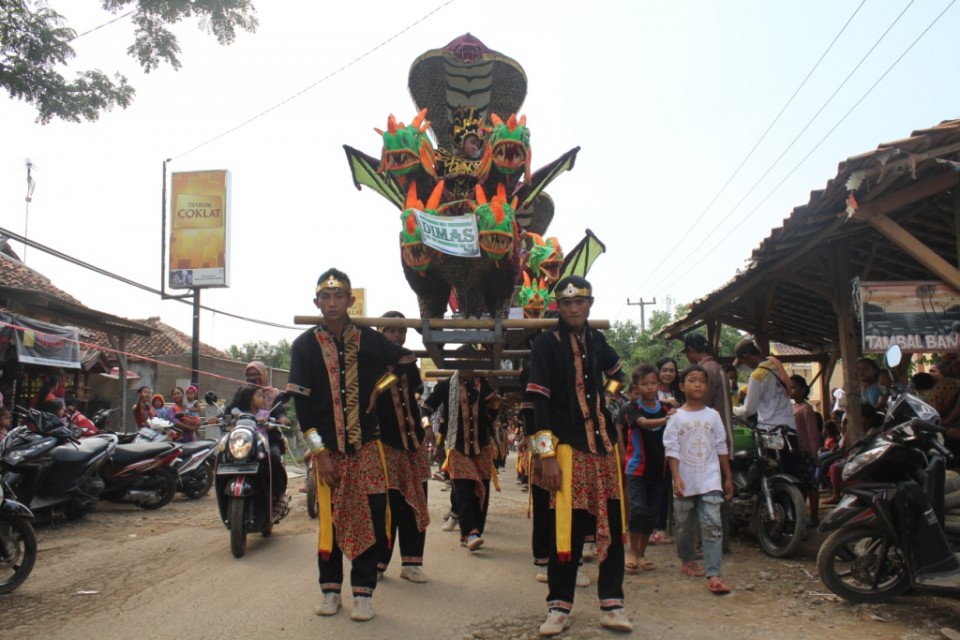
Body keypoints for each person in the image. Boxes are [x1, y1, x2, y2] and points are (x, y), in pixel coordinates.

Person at [288, 268, 415, 623]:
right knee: (330, 520)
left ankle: (363, 593)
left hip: (368, 447)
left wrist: (379, 386)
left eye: (338, 296)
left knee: (373, 516)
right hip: (328, 451)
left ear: (350, 301)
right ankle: (330, 590)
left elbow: (405, 359)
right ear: (317, 303)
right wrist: (319, 452)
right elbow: (301, 407)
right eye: (325, 298)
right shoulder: (304, 347)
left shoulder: (368, 340)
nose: (332, 303)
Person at [525, 275, 631, 635]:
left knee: (613, 530)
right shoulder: (545, 344)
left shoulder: (598, 342)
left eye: (580, 302)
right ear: (558, 305)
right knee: (565, 532)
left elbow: (619, 376)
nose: (574, 308)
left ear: (590, 305)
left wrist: (608, 398)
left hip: (604, 452)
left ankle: (612, 606)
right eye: (567, 303)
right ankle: (559, 608)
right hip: (567, 451)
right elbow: (538, 402)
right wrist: (546, 455)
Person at [420, 345, 499, 553]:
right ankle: (469, 533)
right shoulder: (446, 386)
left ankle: (476, 531)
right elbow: (425, 407)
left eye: (469, 360)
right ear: (455, 362)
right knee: (463, 491)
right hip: (456, 447)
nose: (465, 365)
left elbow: (491, 419)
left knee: (482, 492)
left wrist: (496, 408)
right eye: (461, 360)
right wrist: (427, 426)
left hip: (482, 448)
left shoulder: (485, 386)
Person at [373, 311, 432, 584]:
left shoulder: (410, 360)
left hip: (413, 443)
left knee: (415, 504)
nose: (397, 336)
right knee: (387, 505)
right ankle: (379, 561)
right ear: (380, 334)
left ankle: (412, 563)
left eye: (401, 331)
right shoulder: (370, 361)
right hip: (385, 445)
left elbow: (418, 392)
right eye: (391, 331)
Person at [664, 364, 733, 594]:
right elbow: (671, 448)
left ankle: (713, 574)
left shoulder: (713, 416)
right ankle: (687, 560)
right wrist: (676, 477)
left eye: (702, 381)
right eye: (692, 380)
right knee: (684, 527)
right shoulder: (675, 417)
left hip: (710, 479)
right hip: (684, 479)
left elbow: (721, 446)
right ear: (682, 386)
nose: (697, 384)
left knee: (712, 525)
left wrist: (727, 477)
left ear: (707, 386)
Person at [619, 363, 673, 573]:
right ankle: (632, 551)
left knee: (651, 514)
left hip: (659, 469)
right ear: (637, 387)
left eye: (653, 383)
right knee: (638, 510)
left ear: (658, 385)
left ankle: (641, 554)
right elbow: (643, 423)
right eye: (644, 384)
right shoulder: (632, 409)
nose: (650, 388)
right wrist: (666, 419)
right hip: (637, 469)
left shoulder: (668, 408)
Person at [683, 332, 733, 553]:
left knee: (708, 494)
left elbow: (698, 405)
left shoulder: (706, 372)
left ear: (692, 351)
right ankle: (719, 543)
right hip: (720, 435)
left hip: (708, 439)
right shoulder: (718, 368)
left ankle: (711, 544)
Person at [788, 375, 821, 526]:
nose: (791, 390)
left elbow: (812, 432)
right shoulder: (792, 407)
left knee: (810, 484)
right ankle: (802, 515)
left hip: (805, 451)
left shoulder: (806, 409)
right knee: (800, 484)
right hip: (794, 450)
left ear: (802, 390)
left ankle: (814, 517)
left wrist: (814, 454)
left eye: (794, 387)